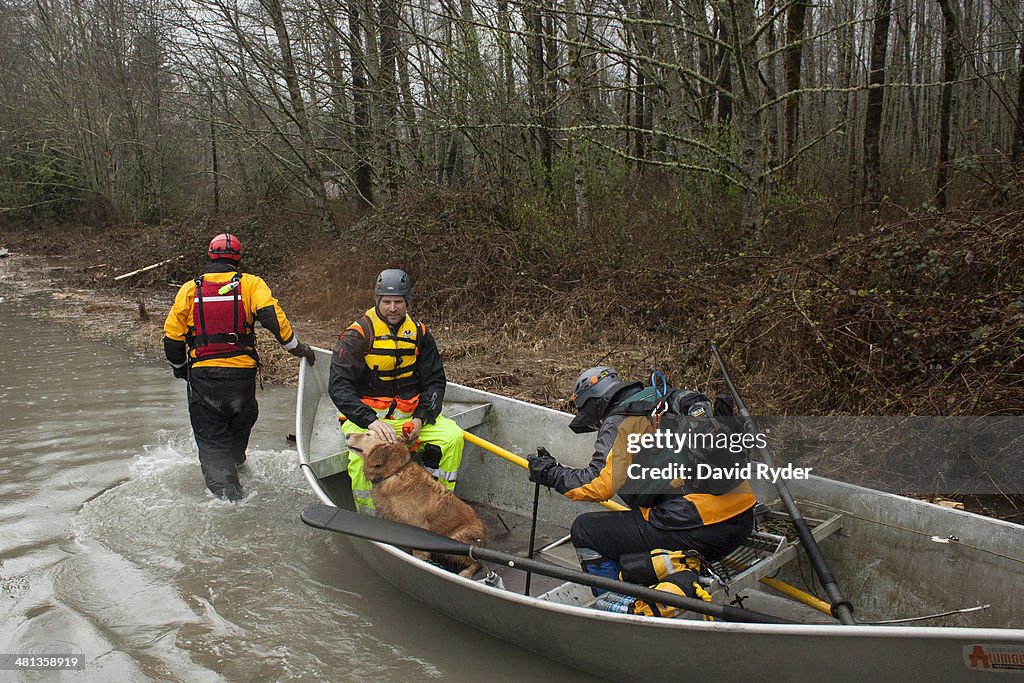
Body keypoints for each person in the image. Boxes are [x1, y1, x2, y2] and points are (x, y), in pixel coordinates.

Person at [528, 366, 756, 584]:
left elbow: (599, 484)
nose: (598, 426)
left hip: (700, 532)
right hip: (743, 519)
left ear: (595, 404)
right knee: (640, 515)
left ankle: (615, 601)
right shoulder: (661, 398)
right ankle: (655, 575)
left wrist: (551, 472)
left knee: (585, 529)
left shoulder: (621, 420)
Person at [163, 233, 315, 501]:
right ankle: (236, 463)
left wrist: (180, 368)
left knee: (211, 439)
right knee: (242, 417)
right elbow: (270, 316)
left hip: (204, 375)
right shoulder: (251, 284)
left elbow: (173, 339)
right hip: (241, 377)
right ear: (238, 259)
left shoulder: (189, 290)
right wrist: (296, 348)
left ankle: (227, 495)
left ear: (210, 256)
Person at [328, 269, 464, 514]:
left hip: (410, 419)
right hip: (366, 421)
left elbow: (435, 382)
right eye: (387, 302)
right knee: (363, 460)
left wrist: (422, 418)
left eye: (398, 302)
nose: (393, 308)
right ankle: (371, 519)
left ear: (407, 302)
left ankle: (440, 506)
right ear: (377, 301)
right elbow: (339, 387)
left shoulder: (420, 334)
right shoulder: (357, 335)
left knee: (452, 437)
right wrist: (370, 421)